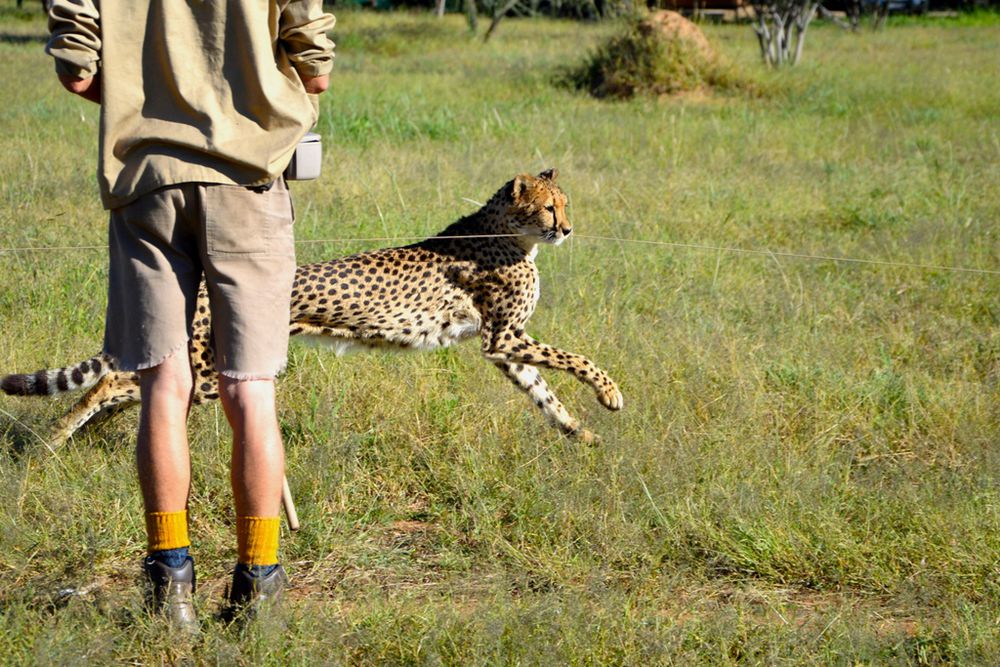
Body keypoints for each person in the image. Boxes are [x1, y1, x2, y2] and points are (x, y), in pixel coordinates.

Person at [46, 1, 335, 630]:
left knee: (163, 384)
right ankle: (259, 589)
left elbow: (76, 71)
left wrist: (152, 106)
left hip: (146, 178)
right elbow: (315, 70)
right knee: (250, 389)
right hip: (250, 180)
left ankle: (168, 591)